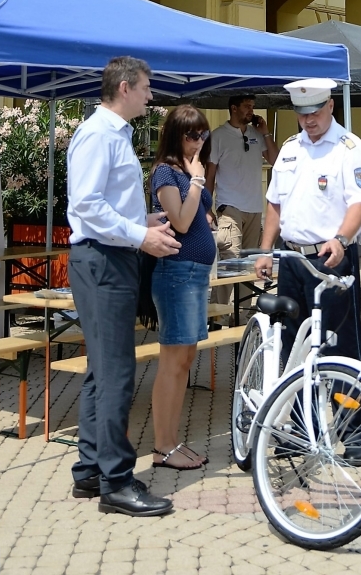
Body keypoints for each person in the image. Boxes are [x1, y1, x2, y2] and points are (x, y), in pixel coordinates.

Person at [67, 56, 179, 517]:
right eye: (148, 87)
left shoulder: (112, 133)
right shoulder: (99, 134)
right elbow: (87, 204)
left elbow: (103, 204)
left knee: (102, 371)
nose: (152, 96)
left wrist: (140, 221)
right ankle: (117, 482)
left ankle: (92, 470)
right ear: (127, 87)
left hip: (106, 257)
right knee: (115, 372)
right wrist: (141, 235)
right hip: (104, 261)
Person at [254, 78, 361, 464]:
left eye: (314, 113)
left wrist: (342, 239)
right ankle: (298, 429)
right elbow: (274, 204)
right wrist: (265, 251)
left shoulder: (348, 148)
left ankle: (355, 432)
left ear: (330, 107)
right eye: (302, 114)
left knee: (342, 346)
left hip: (332, 257)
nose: (308, 121)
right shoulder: (290, 149)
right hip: (294, 259)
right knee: (294, 348)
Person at [149, 104, 217, 471]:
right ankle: (163, 446)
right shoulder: (166, 172)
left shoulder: (189, 171)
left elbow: (199, 216)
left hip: (194, 275)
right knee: (173, 362)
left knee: (186, 359)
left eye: (202, 134)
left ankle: (172, 442)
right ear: (176, 135)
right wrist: (196, 183)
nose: (198, 141)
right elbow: (182, 221)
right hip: (176, 273)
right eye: (192, 135)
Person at [206, 95, 279, 318]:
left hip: (255, 207)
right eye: (247, 107)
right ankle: (220, 315)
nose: (251, 110)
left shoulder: (257, 135)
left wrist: (266, 132)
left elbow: (276, 161)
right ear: (233, 108)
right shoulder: (218, 136)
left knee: (248, 265)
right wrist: (206, 207)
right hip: (229, 207)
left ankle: (242, 313)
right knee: (231, 260)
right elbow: (209, 174)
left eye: (253, 107)